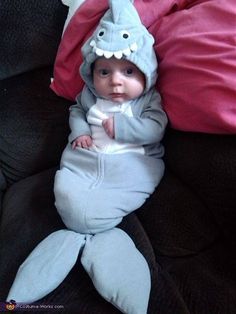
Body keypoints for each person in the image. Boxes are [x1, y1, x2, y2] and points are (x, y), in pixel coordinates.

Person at [7, 1, 167, 313]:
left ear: (147, 73)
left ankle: (95, 243)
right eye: (104, 71)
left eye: (129, 71)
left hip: (129, 164)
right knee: (68, 190)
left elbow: (155, 129)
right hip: (86, 160)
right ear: (91, 74)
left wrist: (124, 127)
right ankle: (78, 236)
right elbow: (77, 112)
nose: (115, 81)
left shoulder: (148, 102)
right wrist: (79, 132)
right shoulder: (89, 97)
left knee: (101, 201)